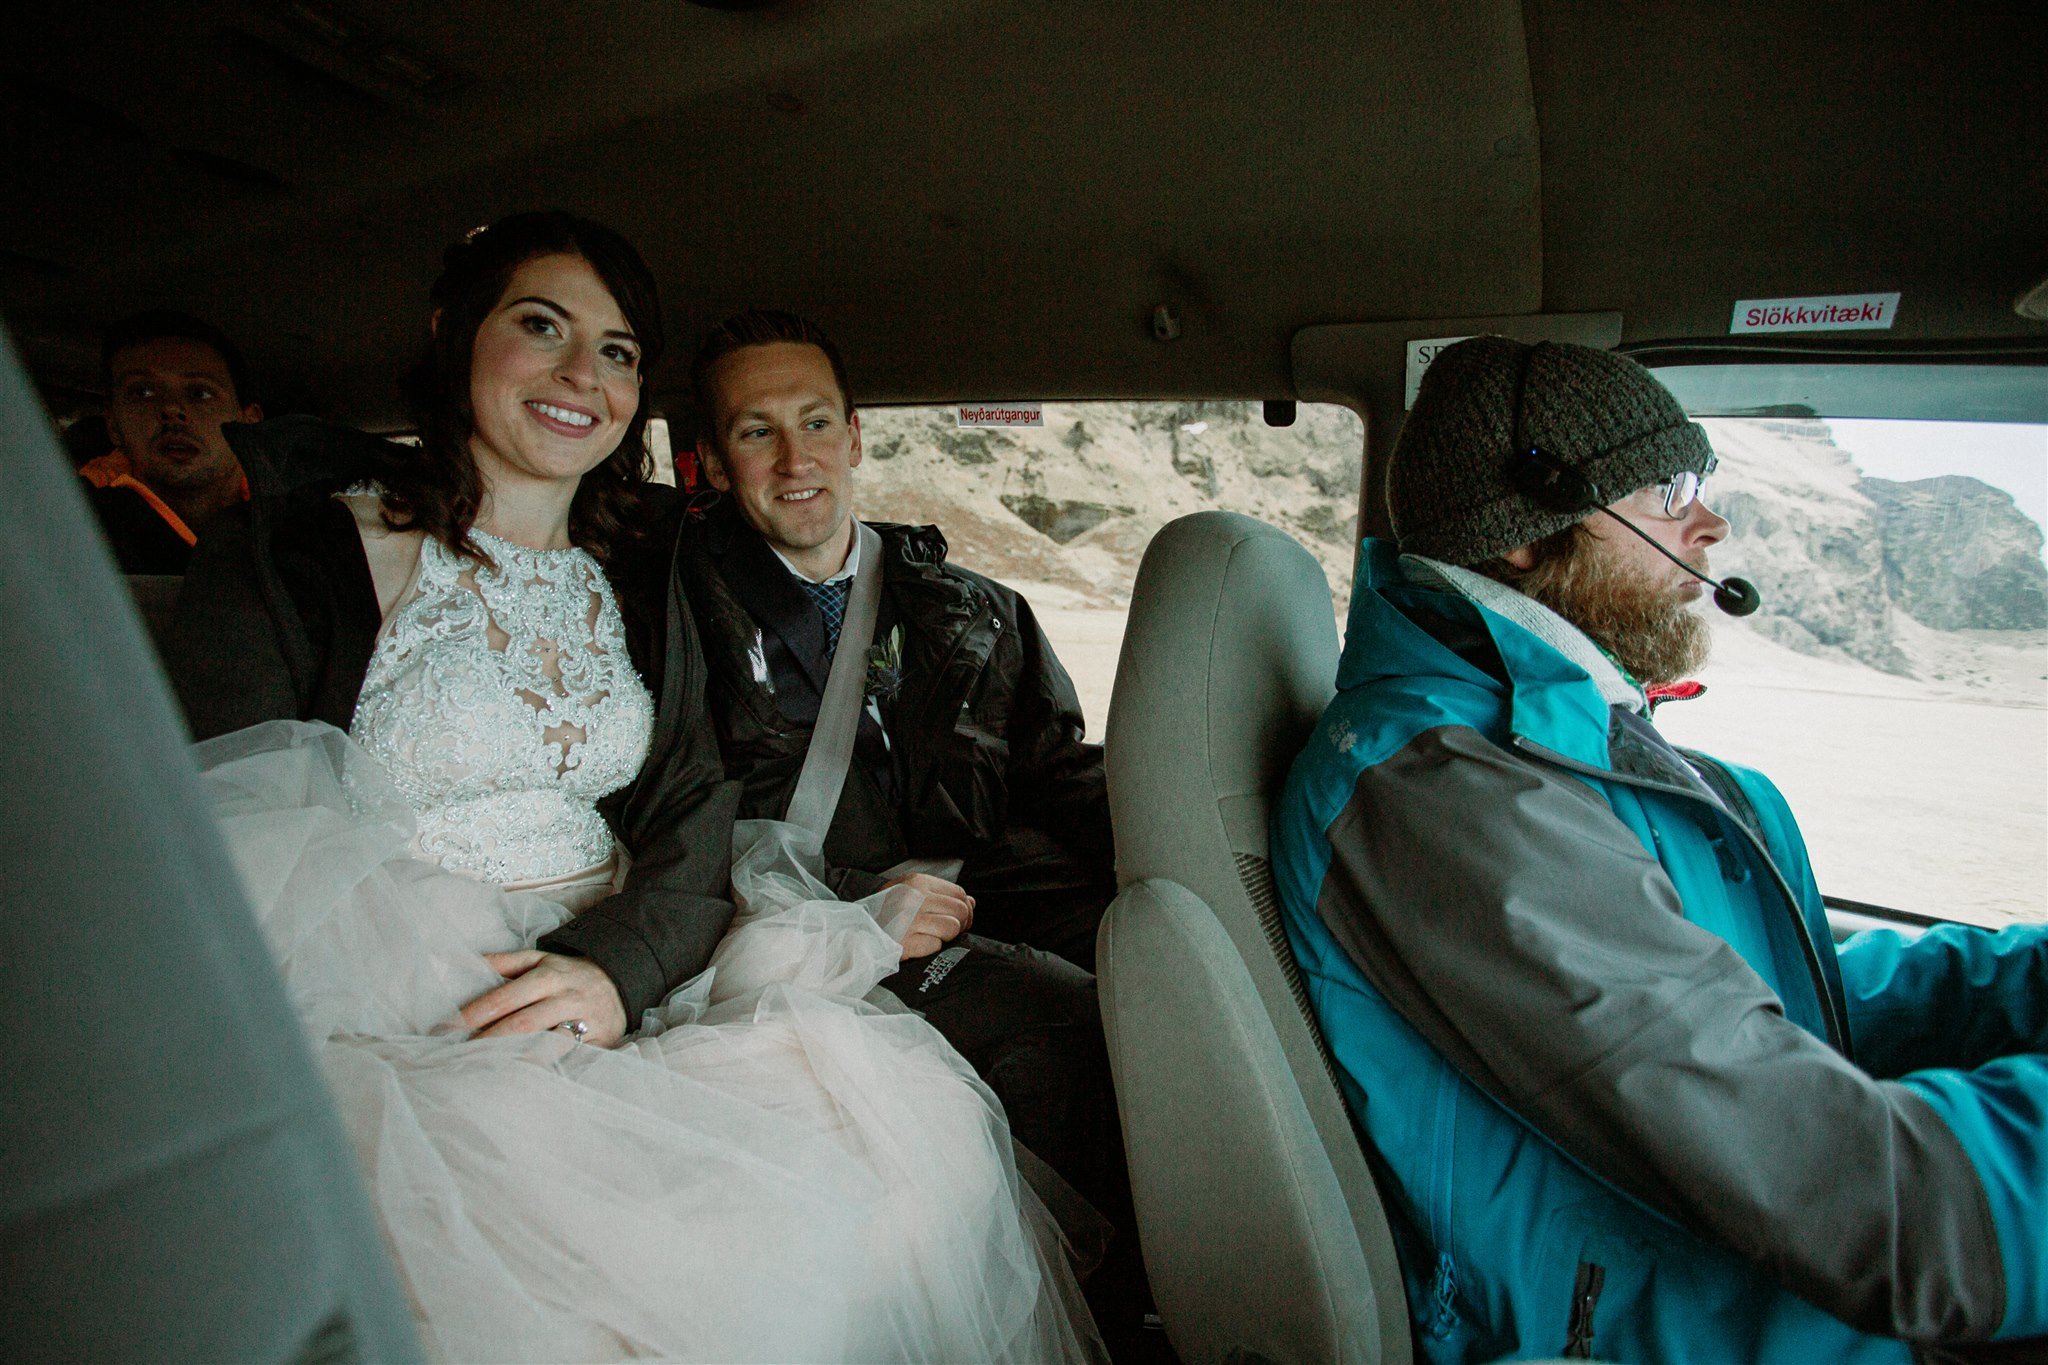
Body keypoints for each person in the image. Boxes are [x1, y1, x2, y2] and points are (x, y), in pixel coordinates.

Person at [166, 211, 1100, 1362]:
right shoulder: (290, 556)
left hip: (629, 948)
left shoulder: (641, 574)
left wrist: (619, 962)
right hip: (381, 984)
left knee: (911, 1170)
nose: (581, 375)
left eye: (614, 351)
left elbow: (690, 803)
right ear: (454, 335)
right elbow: (207, 830)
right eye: (541, 327)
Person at [1271, 336, 2046, 1363]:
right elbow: (1863, 1202)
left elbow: (1769, 1001)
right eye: (1667, 489)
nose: (1709, 524)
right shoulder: (1451, 796)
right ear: (1522, 536)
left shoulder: (1546, 742)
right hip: (1663, 1324)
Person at [675, 309, 1147, 1345]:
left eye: (814, 424)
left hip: (967, 883)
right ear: (709, 460)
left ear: (854, 434)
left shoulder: (968, 607)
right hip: (790, 923)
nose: (795, 460)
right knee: (1064, 1029)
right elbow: (684, 820)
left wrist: (1175, 861)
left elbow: (1056, 771)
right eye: (756, 432)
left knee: (1162, 970)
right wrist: (859, 908)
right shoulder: (678, 614)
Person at [81, 309, 260, 572]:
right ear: (113, 425)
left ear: (249, 423)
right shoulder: (70, 523)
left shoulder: (302, 525)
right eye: (142, 392)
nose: (172, 409)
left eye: (199, 393)